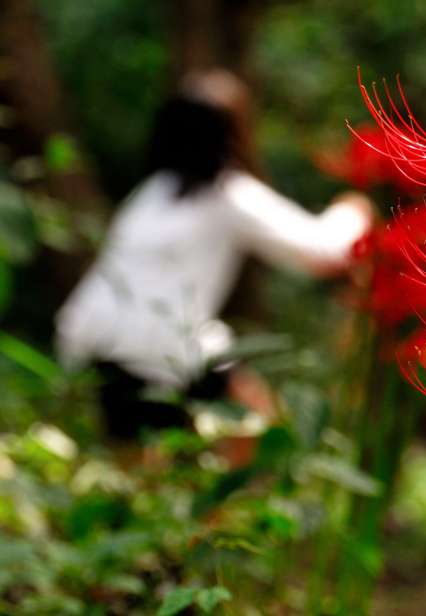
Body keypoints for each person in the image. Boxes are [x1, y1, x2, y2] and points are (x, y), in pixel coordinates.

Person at [55, 69, 373, 440]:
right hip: (161, 352)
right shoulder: (229, 195)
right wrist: (355, 209)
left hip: (90, 338)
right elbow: (324, 252)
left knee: (140, 466)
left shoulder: (152, 191)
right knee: (265, 434)